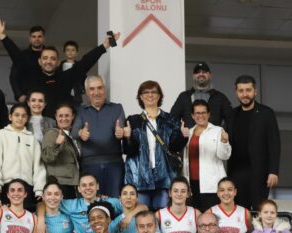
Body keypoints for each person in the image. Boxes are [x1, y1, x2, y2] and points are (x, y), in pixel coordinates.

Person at [0, 15, 118, 116]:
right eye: (45, 58)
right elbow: (17, 56)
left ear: (58, 62)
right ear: (40, 61)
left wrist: (104, 46)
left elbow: (85, 62)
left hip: (61, 128)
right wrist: (3, 36)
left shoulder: (65, 77)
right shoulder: (31, 75)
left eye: (52, 59)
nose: (48, 61)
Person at [123, 80, 188, 210]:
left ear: (159, 96)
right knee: (141, 217)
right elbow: (128, 151)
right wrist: (128, 137)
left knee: (163, 215)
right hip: (139, 177)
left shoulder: (170, 120)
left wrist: (183, 136)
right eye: (146, 92)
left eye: (154, 92)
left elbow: (174, 149)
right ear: (140, 97)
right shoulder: (133, 120)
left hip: (164, 176)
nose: (150, 95)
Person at [227, 75, 280, 210]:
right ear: (236, 93)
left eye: (248, 90)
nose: (245, 94)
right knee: (239, 213)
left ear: (255, 91)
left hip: (259, 173)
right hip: (236, 173)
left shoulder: (266, 113)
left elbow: (274, 144)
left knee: (259, 211)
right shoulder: (232, 115)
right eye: (241, 91)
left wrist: (273, 171)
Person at [71, 76, 127, 198]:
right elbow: (73, 133)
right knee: (91, 203)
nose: (96, 92)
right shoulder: (81, 111)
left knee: (115, 201)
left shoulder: (117, 108)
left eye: (99, 88)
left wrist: (120, 132)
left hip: (114, 164)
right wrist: (81, 133)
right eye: (92, 89)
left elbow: (121, 127)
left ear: (104, 89)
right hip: (89, 164)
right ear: (86, 92)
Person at [0, 103, 45, 201]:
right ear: (10, 117)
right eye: (17, 115)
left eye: (23, 116)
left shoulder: (32, 139)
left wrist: (39, 189)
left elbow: (39, 166)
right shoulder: (1, 135)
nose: (20, 118)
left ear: (27, 119)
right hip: (6, 186)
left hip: (27, 187)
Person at [181, 100, 231, 211]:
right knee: (194, 217)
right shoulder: (188, 132)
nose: (200, 116)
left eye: (203, 112)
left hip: (211, 184)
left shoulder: (218, 131)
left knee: (210, 217)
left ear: (208, 114)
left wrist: (224, 141)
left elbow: (224, 156)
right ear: (193, 116)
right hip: (191, 183)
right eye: (197, 113)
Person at [169, 62, 233, 128]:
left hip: (212, 138)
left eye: (204, 72)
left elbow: (231, 119)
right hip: (189, 138)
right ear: (193, 76)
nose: (201, 74)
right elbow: (172, 118)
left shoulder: (220, 97)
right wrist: (182, 130)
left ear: (210, 75)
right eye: (197, 72)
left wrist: (220, 132)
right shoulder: (184, 96)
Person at [41, 103, 81, 198]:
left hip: (72, 182)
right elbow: (47, 157)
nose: (64, 118)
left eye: (67, 115)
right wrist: (57, 144)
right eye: (60, 116)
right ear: (56, 117)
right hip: (59, 184)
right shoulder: (51, 133)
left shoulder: (73, 136)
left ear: (73, 117)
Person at [7, 25, 45, 103]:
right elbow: (14, 77)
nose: (36, 39)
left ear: (43, 38)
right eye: (34, 37)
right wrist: (19, 95)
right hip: (26, 98)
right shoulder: (22, 56)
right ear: (30, 39)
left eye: (39, 36)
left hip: (46, 98)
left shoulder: (50, 55)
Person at [62, 41, 85, 105]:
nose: (70, 52)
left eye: (73, 50)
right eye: (68, 50)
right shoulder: (59, 66)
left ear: (77, 52)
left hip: (76, 98)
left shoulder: (80, 67)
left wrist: (80, 90)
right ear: (64, 52)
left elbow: (84, 80)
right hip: (62, 97)